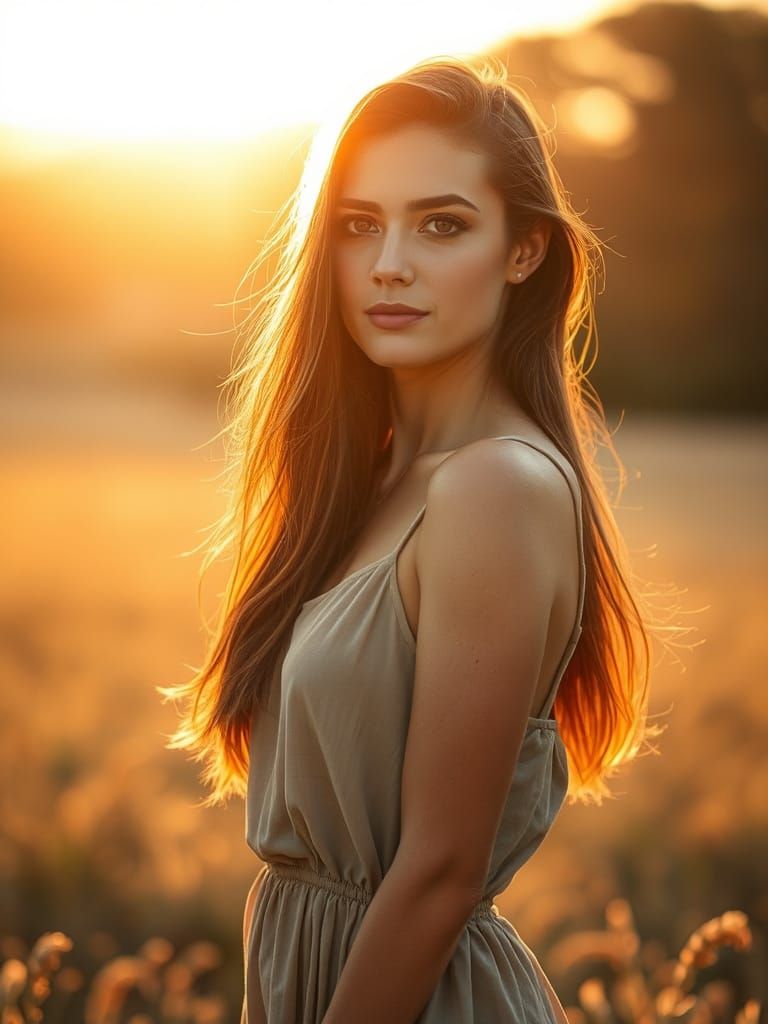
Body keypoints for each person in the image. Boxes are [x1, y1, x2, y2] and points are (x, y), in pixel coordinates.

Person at [159, 54, 664, 1023]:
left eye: (442, 224)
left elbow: (438, 874)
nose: (390, 261)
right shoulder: (373, 479)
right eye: (359, 225)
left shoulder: (492, 487)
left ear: (524, 251)